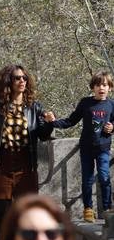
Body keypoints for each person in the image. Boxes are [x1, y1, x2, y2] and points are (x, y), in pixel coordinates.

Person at [0, 63, 53, 240]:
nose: (22, 81)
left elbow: (43, 135)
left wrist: (50, 123)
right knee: (0, 214)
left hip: (25, 166)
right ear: (8, 82)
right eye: (17, 78)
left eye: (24, 78)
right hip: (2, 164)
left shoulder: (34, 107)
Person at [44, 71, 114, 223]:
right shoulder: (85, 103)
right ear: (93, 87)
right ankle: (88, 209)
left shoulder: (111, 104)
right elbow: (71, 121)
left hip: (103, 148)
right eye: (97, 85)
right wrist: (53, 122)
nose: (101, 88)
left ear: (110, 87)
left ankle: (108, 208)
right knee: (87, 179)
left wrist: (112, 127)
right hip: (87, 148)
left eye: (104, 85)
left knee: (104, 177)